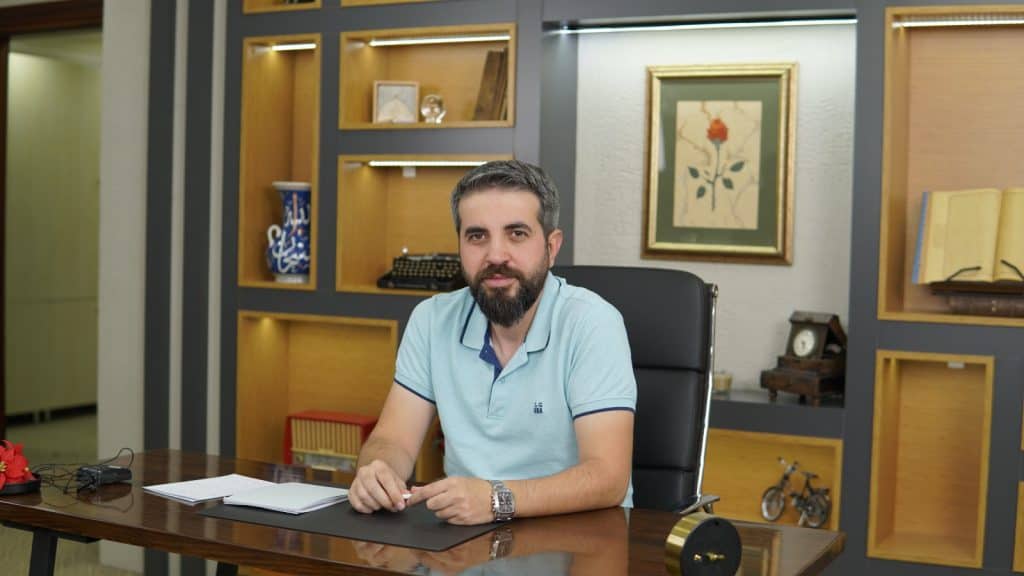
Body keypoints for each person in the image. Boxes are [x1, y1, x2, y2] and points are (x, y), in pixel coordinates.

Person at [349, 160, 636, 526]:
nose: (496, 255)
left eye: (516, 234)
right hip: (464, 536)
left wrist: (497, 499)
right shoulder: (432, 319)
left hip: (580, 538)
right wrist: (377, 471)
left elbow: (608, 478)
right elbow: (393, 440)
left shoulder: (593, 323)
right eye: (477, 236)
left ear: (551, 247)